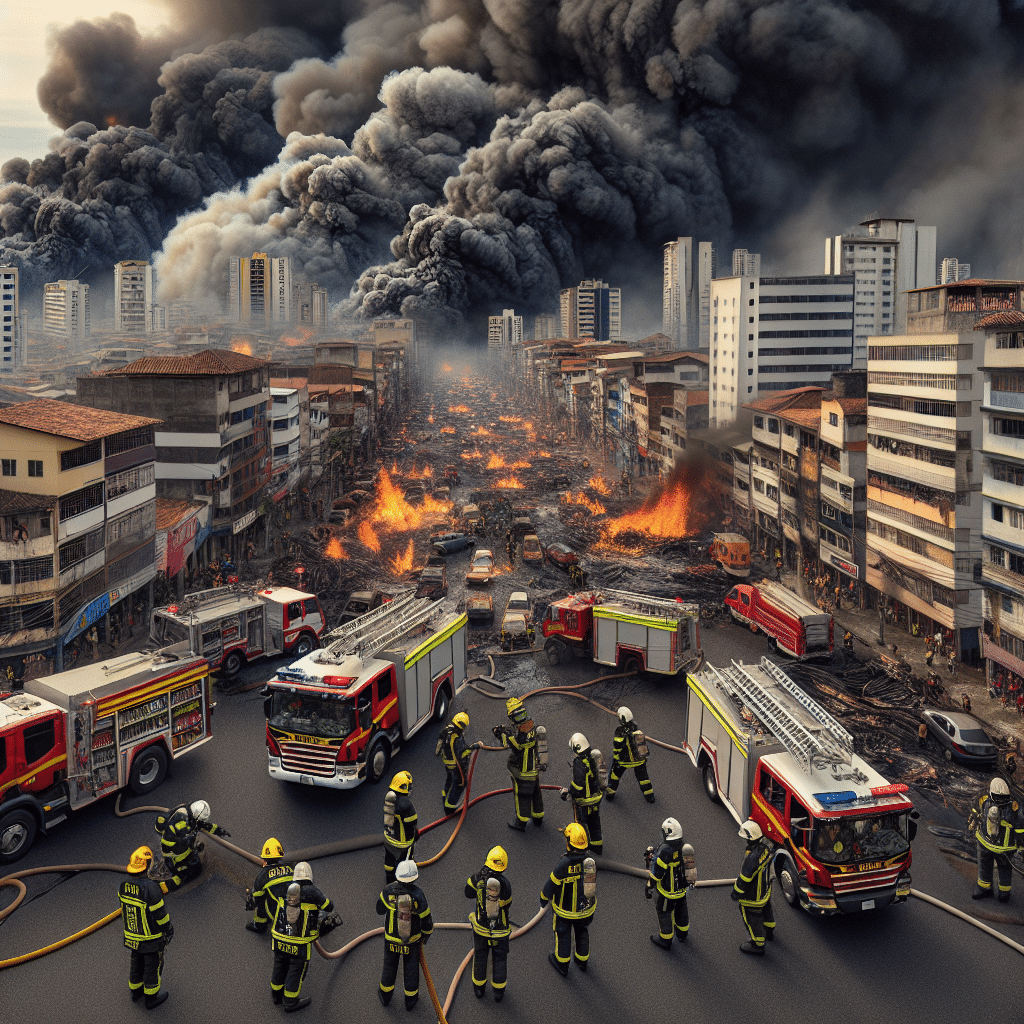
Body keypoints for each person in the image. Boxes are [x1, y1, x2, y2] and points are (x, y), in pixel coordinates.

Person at [269, 861, 338, 1012]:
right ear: (310, 876)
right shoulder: (313, 891)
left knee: (279, 965)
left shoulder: (285, 887)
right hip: (299, 943)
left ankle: (276, 995)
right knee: (296, 970)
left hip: (279, 938)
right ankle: (290, 1002)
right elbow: (328, 906)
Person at [119, 846, 172, 1009]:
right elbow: (160, 915)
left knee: (136, 962)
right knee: (152, 965)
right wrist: (168, 928)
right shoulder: (150, 888)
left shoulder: (123, 885)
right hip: (150, 938)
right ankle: (151, 997)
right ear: (146, 865)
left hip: (132, 935)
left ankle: (135, 991)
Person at [377, 858, 433, 1010]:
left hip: (391, 939)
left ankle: (385, 996)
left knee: (389, 967)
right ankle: (410, 1000)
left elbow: (379, 910)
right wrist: (427, 933)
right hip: (412, 941)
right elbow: (426, 919)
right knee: (411, 970)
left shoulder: (388, 890)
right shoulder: (418, 894)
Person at [540, 823, 595, 976]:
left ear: (569, 844)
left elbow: (551, 884)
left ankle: (562, 964)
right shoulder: (589, 861)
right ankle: (582, 961)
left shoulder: (563, 864)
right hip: (586, 909)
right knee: (582, 931)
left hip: (565, 911)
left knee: (563, 934)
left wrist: (543, 898)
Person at [465, 846, 513, 1002]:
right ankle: (499, 993)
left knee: (480, 956)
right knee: (499, 959)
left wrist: (480, 875)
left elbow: (467, 892)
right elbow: (508, 904)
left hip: (481, 929)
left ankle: (479, 989)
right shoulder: (506, 885)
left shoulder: (479, 880)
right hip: (500, 931)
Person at [154, 800, 230, 891]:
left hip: (176, 847)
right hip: (174, 854)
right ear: (197, 815)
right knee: (194, 870)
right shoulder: (182, 824)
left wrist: (218, 830)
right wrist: (194, 847)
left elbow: (201, 824)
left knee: (193, 860)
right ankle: (164, 887)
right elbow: (182, 839)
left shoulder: (186, 809)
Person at [494, 696, 545, 831]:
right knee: (536, 793)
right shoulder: (533, 728)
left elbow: (514, 748)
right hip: (535, 770)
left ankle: (521, 823)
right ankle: (538, 818)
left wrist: (502, 734)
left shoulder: (517, 736)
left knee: (522, 796)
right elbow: (540, 747)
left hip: (523, 772)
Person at [972, 777, 1024, 903]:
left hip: (1004, 848)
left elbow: (1020, 828)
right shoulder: (985, 800)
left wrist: (1020, 845)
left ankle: (1003, 893)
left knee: (1003, 868)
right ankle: (986, 889)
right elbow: (976, 812)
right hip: (986, 843)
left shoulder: (1014, 808)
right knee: (986, 866)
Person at [731, 820, 775, 955]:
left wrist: (736, 893)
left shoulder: (752, 858)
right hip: (765, 890)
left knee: (752, 918)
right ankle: (769, 930)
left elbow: (744, 878)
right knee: (766, 910)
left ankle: (758, 944)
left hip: (752, 897)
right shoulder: (767, 846)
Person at [647, 817, 691, 950]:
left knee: (664, 912)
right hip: (682, 889)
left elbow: (657, 872)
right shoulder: (683, 846)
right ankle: (682, 934)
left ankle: (665, 939)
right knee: (681, 910)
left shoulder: (665, 850)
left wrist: (649, 886)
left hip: (667, 892)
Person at [562, 732, 604, 853]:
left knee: (581, 824)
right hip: (596, 798)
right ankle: (597, 846)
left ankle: (581, 847)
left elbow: (578, 787)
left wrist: (568, 793)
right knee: (594, 822)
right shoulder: (592, 757)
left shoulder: (579, 763)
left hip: (583, 802)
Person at [604, 707, 654, 804]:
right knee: (644, 779)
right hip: (639, 761)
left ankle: (610, 796)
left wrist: (615, 759)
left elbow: (617, 747)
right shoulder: (637, 730)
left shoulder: (619, 731)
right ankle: (650, 797)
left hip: (623, 762)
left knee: (614, 777)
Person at [247, 838, 294, 934]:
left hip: (277, 914)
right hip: (296, 909)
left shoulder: (263, 876)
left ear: (265, 858)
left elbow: (256, 898)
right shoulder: (290, 868)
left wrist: (250, 900)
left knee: (261, 899)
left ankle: (260, 925)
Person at [438, 711, 479, 813]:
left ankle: (445, 794)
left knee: (450, 778)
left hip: (447, 762)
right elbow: (462, 754)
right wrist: (472, 748)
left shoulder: (446, 730)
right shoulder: (457, 738)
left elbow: (439, 745)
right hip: (456, 765)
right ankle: (449, 807)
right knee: (460, 783)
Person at [383, 772, 418, 885]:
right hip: (402, 843)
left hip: (388, 838)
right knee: (405, 860)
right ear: (404, 786)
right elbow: (411, 824)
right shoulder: (406, 804)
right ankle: (403, 882)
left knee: (389, 859)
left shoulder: (389, 798)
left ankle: (389, 878)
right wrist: (414, 835)